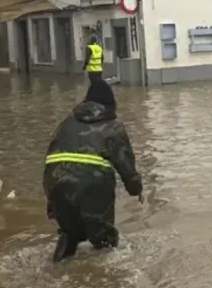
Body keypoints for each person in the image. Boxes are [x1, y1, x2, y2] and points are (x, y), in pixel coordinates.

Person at [44, 78, 143, 262]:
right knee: (104, 240)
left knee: (70, 233)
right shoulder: (113, 126)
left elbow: (49, 159)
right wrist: (136, 189)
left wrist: (51, 201)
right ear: (110, 104)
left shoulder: (66, 123)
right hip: (93, 186)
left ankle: (56, 267)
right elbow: (126, 168)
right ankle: (101, 279)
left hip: (55, 185)